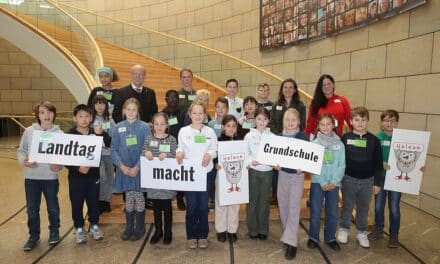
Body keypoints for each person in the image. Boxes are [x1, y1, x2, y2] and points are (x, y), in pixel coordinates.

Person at [369, 109, 425, 248]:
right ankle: (378, 230)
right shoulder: (377, 138)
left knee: (394, 207)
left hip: (396, 180)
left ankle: (394, 235)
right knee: (378, 206)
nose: (389, 123)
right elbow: (372, 158)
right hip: (381, 179)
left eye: (393, 121)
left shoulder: (403, 139)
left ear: (397, 123)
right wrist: (380, 164)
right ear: (381, 123)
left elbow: (414, 155)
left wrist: (419, 167)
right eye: (386, 120)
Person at [18, 101, 63, 251]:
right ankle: (34, 235)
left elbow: (63, 156)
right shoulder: (30, 131)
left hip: (50, 178)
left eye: (49, 112)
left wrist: (59, 166)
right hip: (31, 178)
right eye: (42, 112)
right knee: (32, 209)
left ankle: (54, 231)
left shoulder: (60, 134)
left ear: (54, 114)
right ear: (37, 115)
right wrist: (24, 161)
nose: (46, 115)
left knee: (53, 208)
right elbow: (21, 150)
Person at [337, 107, 383, 248]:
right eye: (357, 120)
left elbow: (378, 164)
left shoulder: (374, 140)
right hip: (349, 179)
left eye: (363, 120)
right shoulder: (345, 138)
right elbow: (340, 160)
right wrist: (339, 179)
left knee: (363, 208)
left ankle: (362, 232)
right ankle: (344, 229)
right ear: (351, 121)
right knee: (347, 206)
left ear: (367, 121)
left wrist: (377, 183)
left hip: (367, 181)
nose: (360, 123)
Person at [66, 104, 111, 244]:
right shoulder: (70, 134)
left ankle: (94, 225)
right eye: (80, 116)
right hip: (76, 177)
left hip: (93, 176)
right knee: (77, 203)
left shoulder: (94, 132)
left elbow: (108, 143)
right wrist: (77, 168)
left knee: (93, 202)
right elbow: (65, 157)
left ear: (91, 118)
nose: (84, 119)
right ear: (75, 118)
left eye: (87, 116)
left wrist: (101, 133)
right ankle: (79, 227)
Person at [176, 103, 217, 249]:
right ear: (190, 114)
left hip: (205, 174)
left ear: (205, 115)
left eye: (201, 113)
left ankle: (203, 235)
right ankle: (191, 235)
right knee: (192, 206)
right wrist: (179, 153)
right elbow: (180, 147)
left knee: (203, 207)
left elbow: (214, 149)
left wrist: (209, 154)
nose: (198, 116)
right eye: (195, 113)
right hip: (190, 175)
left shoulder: (210, 132)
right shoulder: (183, 131)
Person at [112, 98, 151, 241]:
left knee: (139, 197)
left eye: (134, 109)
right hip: (125, 170)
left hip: (139, 169)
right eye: (128, 109)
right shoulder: (117, 127)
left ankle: (140, 227)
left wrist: (137, 167)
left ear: (138, 111)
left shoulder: (145, 127)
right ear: (123, 111)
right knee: (129, 198)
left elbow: (147, 148)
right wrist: (121, 166)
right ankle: (129, 226)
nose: (131, 112)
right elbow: (113, 150)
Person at [273, 109, 309, 260]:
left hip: (297, 176)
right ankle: (288, 235)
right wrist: (275, 165)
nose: (290, 123)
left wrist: (305, 167)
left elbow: (309, 157)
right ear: (283, 121)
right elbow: (274, 156)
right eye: (287, 120)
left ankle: (292, 242)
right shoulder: (279, 138)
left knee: (294, 206)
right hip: (282, 174)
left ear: (299, 122)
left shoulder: (304, 137)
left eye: (293, 120)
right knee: (283, 205)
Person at [308, 113, 345, 252]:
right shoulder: (314, 144)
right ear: (318, 126)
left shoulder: (339, 144)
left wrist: (334, 181)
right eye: (322, 124)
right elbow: (314, 166)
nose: (325, 127)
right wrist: (323, 181)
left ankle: (330, 238)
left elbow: (342, 165)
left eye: (328, 124)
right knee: (316, 211)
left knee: (333, 213)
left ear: (333, 125)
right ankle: (313, 237)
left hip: (333, 184)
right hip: (318, 183)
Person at [143, 112, 178, 245]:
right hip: (154, 182)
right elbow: (143, 152)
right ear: (152, 125)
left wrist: (168, 154)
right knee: (156, 208)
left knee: (167, 208)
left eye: (162, 124)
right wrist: (146, 153)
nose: (159, 127)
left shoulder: (172, 139)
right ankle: (158, 231)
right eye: (156, 124)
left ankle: (168, 231)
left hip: (168, 182)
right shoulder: (148, 139)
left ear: (167, 125)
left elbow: (176, 155)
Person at [244, 107, 273, 241]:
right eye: (259, 119)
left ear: (269, 120)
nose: (262, 122)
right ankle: (253, 229)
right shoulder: (249, 136)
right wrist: (251, 162)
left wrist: (274, 163)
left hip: (267, 172)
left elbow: (276, 156)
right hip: (254, 172)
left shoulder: (273, 137)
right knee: (253, 201)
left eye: (265, 119)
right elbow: (245, 154)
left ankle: (263, 229)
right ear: (254, 119)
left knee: (264, 202)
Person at [215, 114, 241, 243]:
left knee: (234, 204)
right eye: (228, 126)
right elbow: (214, 157)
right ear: (223, 127)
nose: (231, 128)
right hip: (221, 176)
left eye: (233, 126)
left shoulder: (240, 142)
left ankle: (232, 230)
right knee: (221, 203)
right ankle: (221, 230)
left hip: (236, 176)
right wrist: (216, 164)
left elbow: (244, 158)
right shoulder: (218, 141)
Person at [162, 89, 187, 211]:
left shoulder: (183, 113)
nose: (172, 99)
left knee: (180, 173)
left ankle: (180, 198)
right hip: (166, 146)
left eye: (175, 97)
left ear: (178, 99)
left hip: (180, 147)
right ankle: (167, 197)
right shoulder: (162, 113)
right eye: (170, 97)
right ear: (166, 99)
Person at [90, 95, 116, 214]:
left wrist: (104, 135)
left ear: (106, 105)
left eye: (102, 103)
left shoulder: (110, 120)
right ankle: (99, 200)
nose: (99, 106)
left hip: (109, 153)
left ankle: (106, 201)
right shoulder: (90, 119)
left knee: (110, 177)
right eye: (97, 103)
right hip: (96, 155)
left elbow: (114, 138)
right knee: (101, 177)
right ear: (93, 105)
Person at [207, 97, 229, 209]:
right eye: (218, 107)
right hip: (214, 156)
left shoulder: (230, 122)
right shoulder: (210, 124)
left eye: (223, 107)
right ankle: (212, 199)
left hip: (227, 156)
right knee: (212, 177)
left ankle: (225, 199)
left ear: (227, 109)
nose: (220, 110)